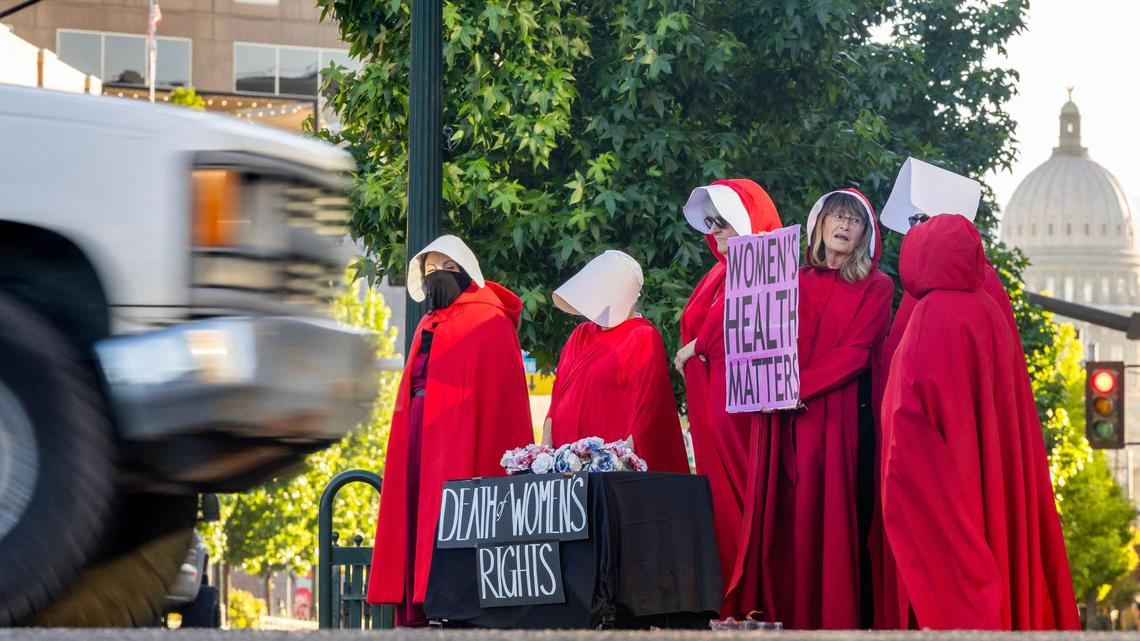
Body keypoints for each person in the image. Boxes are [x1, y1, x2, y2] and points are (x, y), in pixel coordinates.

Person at [879, 215, 1079, 630]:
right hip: (993, 474)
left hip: (950, 476)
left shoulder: (928, 316)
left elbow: (905, 418)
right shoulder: (990, 311)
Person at [365, 235, 533, 626]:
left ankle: (454, 602)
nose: (436, 277)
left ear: (466, 273)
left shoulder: (490, 321)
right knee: (416, 513)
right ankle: (418, 601)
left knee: (449, 513)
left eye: (446, 269)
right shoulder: (428, 321)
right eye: (429, 271)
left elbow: (497, 406)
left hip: (460, 440)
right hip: (419, 432)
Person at [765, 189, 891, 629]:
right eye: (836, 217)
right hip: (788, 421)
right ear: (818, 225)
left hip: (842, 422)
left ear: (865, 235)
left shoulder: (877, 286)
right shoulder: (791, 281)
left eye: (853, 221)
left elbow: (858, 351)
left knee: (839, 530)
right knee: (791, 525)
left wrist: (799, 386)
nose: (843, 225)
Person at [675, 179, 782, 616]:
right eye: (711, 221)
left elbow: (735, 325)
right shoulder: (719, 272)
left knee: (743, 494)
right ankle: (731, 595)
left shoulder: (757, 265)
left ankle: (748, 597)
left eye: (722, 220)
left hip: (739, 405)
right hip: (711, 404)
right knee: (722, 496)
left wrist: (696, 346)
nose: (714, 229)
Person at [544, 250, 690, 474]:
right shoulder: (580, 334)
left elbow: (648, 409)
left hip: (608, 465)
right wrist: (546, 451)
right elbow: (557, 396)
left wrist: (618, 462)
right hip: (565, 461)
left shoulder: (643, 336)